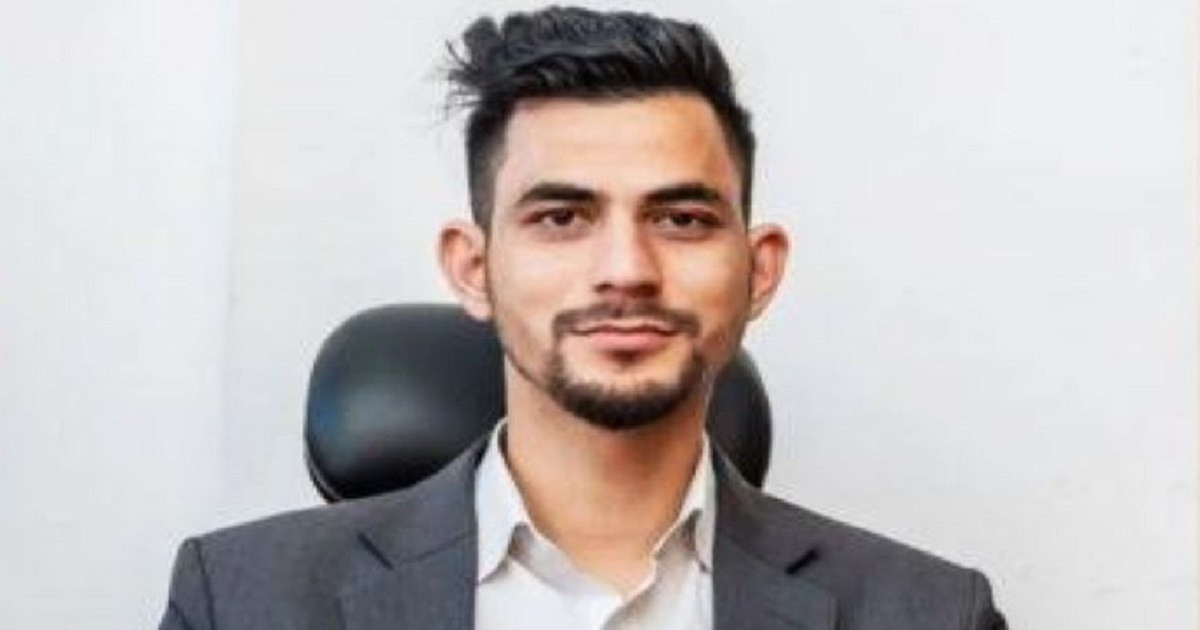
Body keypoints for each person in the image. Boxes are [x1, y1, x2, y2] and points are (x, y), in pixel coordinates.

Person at [159, 7, 1006, 629]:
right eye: (562, 217)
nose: (625, 270)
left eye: (682, 219)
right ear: (473, 267)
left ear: (759, 270)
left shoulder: (932, 614)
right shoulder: (241, 600)